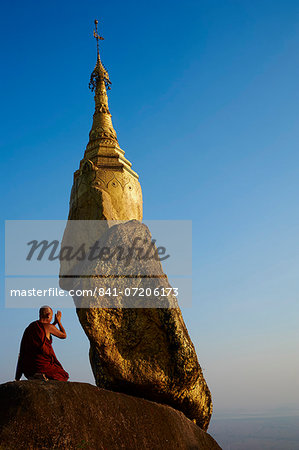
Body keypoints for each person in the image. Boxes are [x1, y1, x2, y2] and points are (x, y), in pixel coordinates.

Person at [15, 306, 69, 382]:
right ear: (48, 315)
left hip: (29, 369)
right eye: (51, 315)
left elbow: (23, 351)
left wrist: (54, 323)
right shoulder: (49, 327)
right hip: (43, 366)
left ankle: (35, 375)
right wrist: (59, 322)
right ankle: (42, 374)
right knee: (62, 374)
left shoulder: (30, 327)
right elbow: (63, 335)